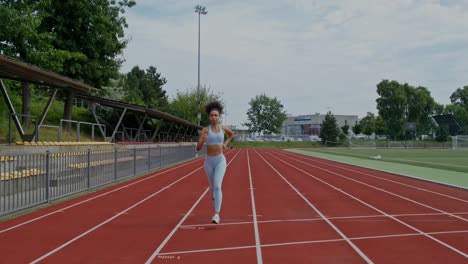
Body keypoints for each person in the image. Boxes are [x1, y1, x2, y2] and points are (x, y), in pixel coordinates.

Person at [196, 101, 235, 224]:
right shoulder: (205, 130)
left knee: (218, 186)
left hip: (220, 160)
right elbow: (198, 148)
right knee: (212, 186)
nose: (213, 117)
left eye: (216, 115)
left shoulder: (223, 129)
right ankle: (213, 193)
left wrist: (225, 144)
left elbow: (232, 134)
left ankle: (216, 214)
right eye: (211, 115)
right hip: (208, 161)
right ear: (209, 117)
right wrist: (202, 141)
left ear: (219, 117)